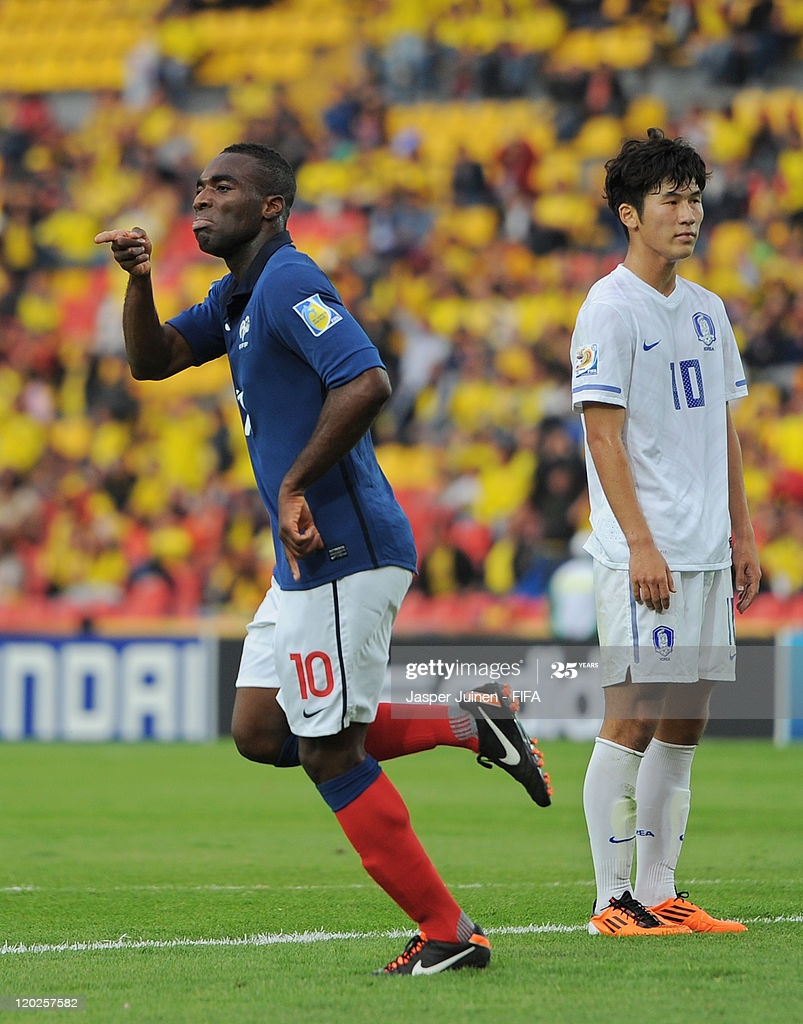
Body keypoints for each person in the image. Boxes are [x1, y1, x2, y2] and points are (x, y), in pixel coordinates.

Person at [95, 142, 550, 976]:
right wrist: (136, 279)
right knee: (262, 730)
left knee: (327, 750)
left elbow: (366, 380)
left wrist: (297, 483)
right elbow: (150, 360)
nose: (201, 199)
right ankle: (466, 719)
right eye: (197, 188)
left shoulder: (288, 283)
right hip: (305, 557)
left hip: (344, 543)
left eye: (222, 187)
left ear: (270, 206)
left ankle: (448, 931)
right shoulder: (235, 296)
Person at [569, 128, 761, 936]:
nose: (688, 214)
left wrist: (741, 536)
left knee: (685, 720)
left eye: (693, 198)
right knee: (632, 715)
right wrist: (640, 542)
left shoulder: (709, 311)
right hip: (640, 551)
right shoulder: (609, 308)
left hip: (706, 547)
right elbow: (602, 436)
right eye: (670, 201)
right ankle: (609, 901)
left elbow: (722, 430)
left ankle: (658, 890)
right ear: (629, 214)